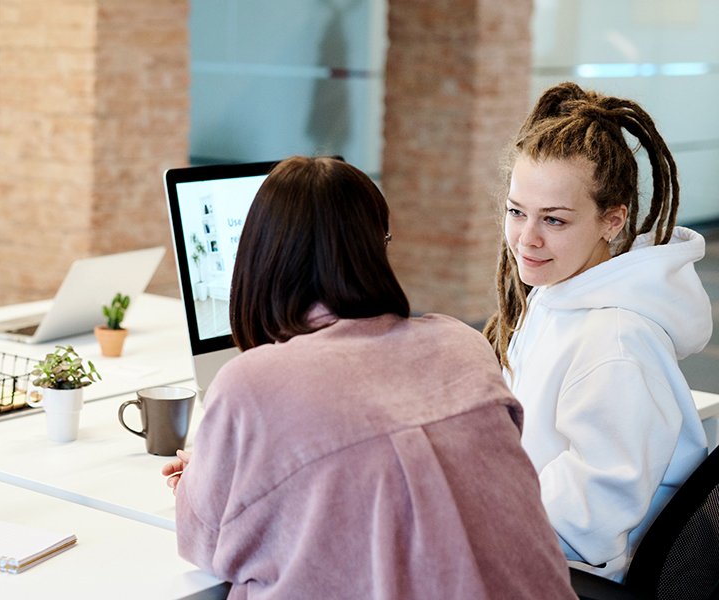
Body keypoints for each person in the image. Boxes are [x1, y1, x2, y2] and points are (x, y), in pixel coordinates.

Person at [162, 156, 574, 599]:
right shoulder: (463, 344)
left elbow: (206, 542)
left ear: (258, 259)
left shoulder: (250, 384)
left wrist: (198, 484)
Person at [483, 81, 712, 582]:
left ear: (612, 221)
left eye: (554, 220)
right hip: (534, 536)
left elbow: (586, 521)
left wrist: (471, 520)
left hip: (569, 570)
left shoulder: (617, 342)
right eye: (517, 212)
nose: (527, 239)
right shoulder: (560, 290)